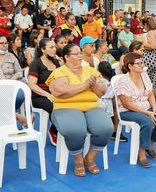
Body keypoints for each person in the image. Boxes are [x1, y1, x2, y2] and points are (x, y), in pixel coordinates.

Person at [45, 44, 114, 177]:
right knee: (75, 130)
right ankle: (78, 161)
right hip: (66, 107)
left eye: (80, 53)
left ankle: (90, 158)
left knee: (105, 128)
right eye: (76, 54)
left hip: (91, 106)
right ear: (66, 57)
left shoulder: (90, 70)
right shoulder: (60, 72)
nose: (79, 56)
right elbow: (59, 91)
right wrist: (84, 86)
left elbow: (102, 92)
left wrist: (93, 85)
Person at [115, 52, 156, 167]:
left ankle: (150, 145)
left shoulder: (144, 75)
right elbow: (127, 104)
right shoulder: (124, 81)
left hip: (146, 109)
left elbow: (150, 94)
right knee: (147, 121)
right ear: (130, 66)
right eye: (138, 63)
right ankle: (141, 152)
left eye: (142, 63)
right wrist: (147, 112)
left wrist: (154, 108)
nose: (141, 65)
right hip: (128, 112)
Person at [28, 38, 60, 146]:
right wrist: (47, 95)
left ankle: (56, 129)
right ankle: (55, 130)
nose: (54, 49)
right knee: (55, 106)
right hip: (39, 96)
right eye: (51, 47)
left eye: (55, 47)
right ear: (43, 49)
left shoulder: (56, 62)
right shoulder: (36, 64)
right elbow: (32, 85)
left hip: (54, 94)